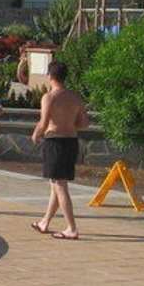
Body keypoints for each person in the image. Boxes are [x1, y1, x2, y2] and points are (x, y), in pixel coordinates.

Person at [30, 61, 89, 240]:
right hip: (71, 141)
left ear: (50, 76)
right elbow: (84, 123)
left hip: (55, 141)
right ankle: (45, 222)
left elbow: (44, 121)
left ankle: (71, 228)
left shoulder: (49, 97)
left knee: (60, 185)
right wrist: (68, 123)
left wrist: (36, 134)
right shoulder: (75, 97)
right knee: (55, 184)